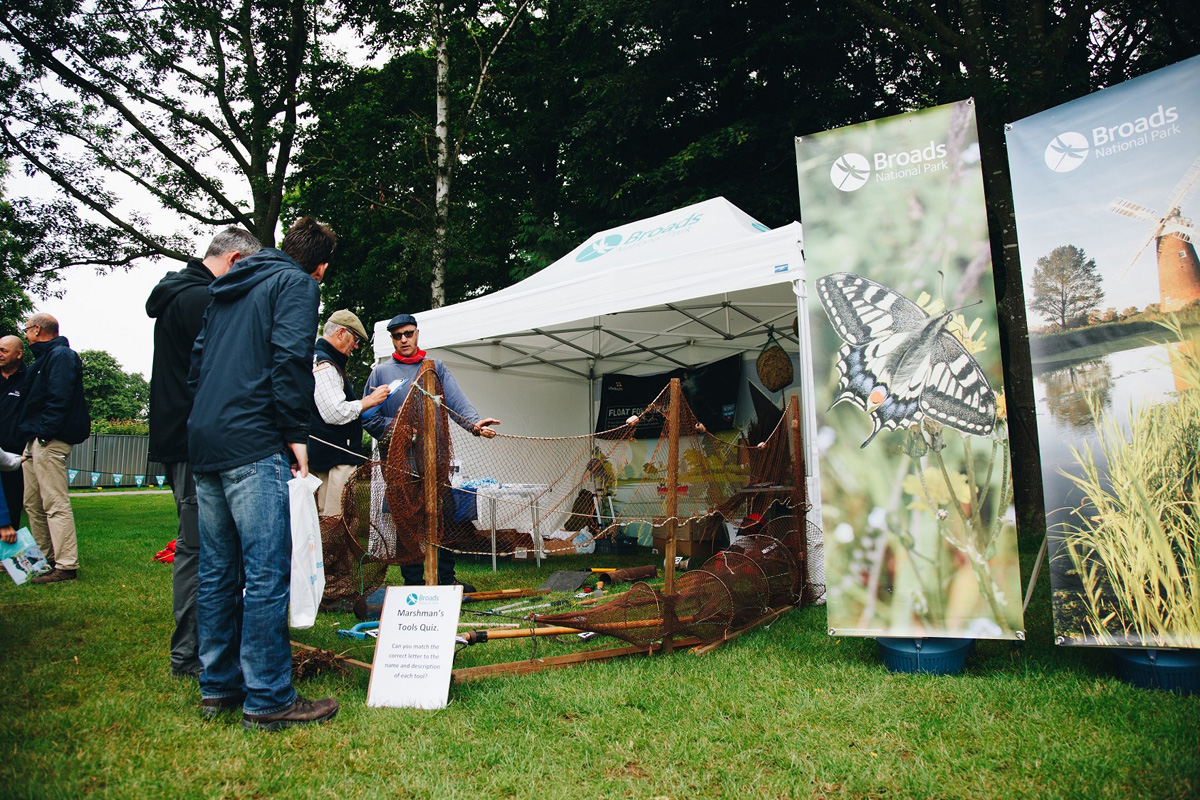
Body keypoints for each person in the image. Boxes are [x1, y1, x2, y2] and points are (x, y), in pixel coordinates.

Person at [188, 216, 339, 731]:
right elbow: (290, 358)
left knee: (217, 571)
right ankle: (270, 697)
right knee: (265, 571)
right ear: (319, 266)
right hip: (252, 442)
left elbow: (197, 365)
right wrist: (295, 432)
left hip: (205, 438)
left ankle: (218, 687)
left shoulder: (225, 286)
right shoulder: (298, 284)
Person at [146, 226, 262, 680]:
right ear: (235, 261)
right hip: (197, 442)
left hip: (190, 438)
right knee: (200, 550)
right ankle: (190, 655)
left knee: (209, 547)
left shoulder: (184, 293)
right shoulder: (200, 301)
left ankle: (208, 646)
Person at [362, 312, 499, 589]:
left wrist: (474, 424)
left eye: (408, 333)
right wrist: (399, 429)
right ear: (392, 339)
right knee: (407, 524)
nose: (404, 340)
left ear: (417, 334)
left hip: (435, 462)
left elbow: (457, 403)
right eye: (398, 335)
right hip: (400, 466)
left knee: (445, 520)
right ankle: (413, 583)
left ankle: (447, 581)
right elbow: (368, 418)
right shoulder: (381, 373)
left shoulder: (435, 367)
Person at [18, 314, 90, 585]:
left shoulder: (61, 355)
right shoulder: (43, 359)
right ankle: (42, 560)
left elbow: (59, 397)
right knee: (33, 504)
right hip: (35, 439)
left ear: (37, 329)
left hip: (49, 439)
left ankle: (66, 565)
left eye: (26, 330)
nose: (26, 335)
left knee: (54, 503)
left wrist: (46, 434)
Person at [309, 309, 389, 517]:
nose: (355, 346)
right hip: (334, 461)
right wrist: (368, 401)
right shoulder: (325, 365)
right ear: (341, 332)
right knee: (335, 522)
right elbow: (334, 413)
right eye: (355, 339)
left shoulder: (322, 359)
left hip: (326, 457)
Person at [0, 335, 27, 531]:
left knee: (12, 503)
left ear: (19, 354)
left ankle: (8, 556)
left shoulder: (29, 379)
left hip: (15, 452)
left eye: (4, 351)